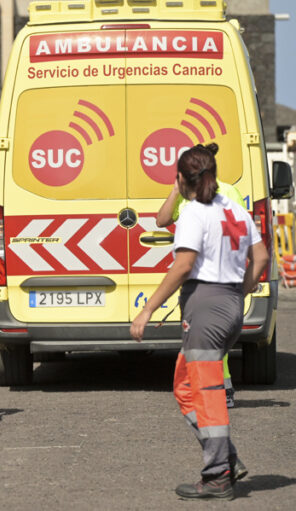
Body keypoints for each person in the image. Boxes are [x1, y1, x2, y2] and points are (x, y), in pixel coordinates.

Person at [130, 143, 268, 500]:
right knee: (185, 385)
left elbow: (183, 264)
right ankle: (228, 460)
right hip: (230, 305)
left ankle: (217, 476)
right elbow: (262, 253)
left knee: (206, 394)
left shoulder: (193, 212)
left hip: (206, 307)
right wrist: (242, 289)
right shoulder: (235, 208)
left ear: (180, 178)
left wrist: (147, 310)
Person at [157, 175, 246, 408]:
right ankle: (215, 388)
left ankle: (220, 388)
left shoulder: (227, 191)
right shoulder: (184, 193)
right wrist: (175, 191)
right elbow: (162, 220)